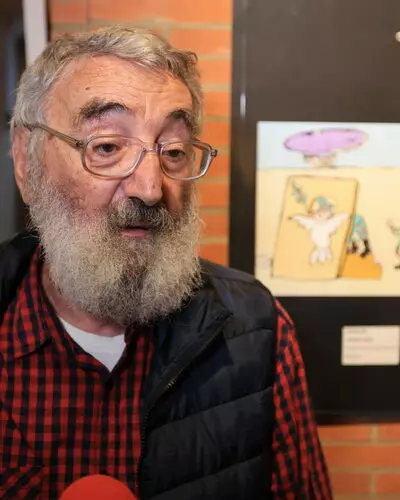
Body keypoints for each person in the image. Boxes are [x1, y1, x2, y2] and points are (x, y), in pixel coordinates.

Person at [0, 26, 332, 499]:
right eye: (107, 147)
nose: (151, 188)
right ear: (25, 161)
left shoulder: (256, 330)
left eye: (174, 151)